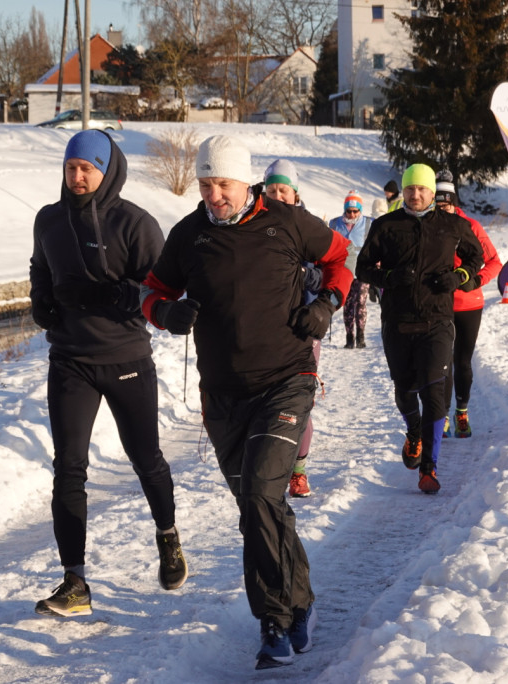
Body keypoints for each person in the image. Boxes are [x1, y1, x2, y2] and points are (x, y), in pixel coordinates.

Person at [141, 136, 353, 669]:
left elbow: (340, 261)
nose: (215, 196)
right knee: (259, 507)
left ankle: (275, 621)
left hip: (286, 378)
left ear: (246, 182)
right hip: (223, 395)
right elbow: (152, 290)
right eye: (206, 185)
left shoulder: (286, 221)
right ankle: (301, 601)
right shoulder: (188, 236)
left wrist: (327, 304)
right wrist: (165, 315)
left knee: (261, 493)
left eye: (224, 185)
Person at [29, 129, 187, 618]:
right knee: (68, 470)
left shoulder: (135, 224)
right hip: (69, 360)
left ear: (106, 170)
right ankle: (74, 581)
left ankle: (168, 536)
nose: (77, 178)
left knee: (147, 459)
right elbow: (40, 266)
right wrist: (42, 302)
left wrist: (116, 296)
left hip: (125, 359)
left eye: (87, 169)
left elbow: (162, 292)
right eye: (71, 168)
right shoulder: (49, 219)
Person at [355, 163, 482, 494]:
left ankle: (429, 468)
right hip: (397, 322)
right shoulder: (386, 225)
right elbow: (362, 268)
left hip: (438, 320)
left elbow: (475, 257)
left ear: (432, 192)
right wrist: (389, 279)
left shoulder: (453, 225)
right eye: (410, 189)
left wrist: (459, 278)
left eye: (422, 189)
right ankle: (414, 434)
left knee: (434, 390)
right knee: (405, 390)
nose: (415, 195)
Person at [262, 159, 322, 498]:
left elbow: (329, 272)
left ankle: (298, 470)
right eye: (271, 190)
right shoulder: (252, 225)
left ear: (295, 193)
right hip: (262, 328)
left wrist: (306, 276)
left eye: (283, 190)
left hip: (302, 328)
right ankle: (268, 466)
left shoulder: (309, 227)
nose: (277, 196)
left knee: (298, 403)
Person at [434, 171, 502, 439]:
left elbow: (495, 261)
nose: (443, 209)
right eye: (438, 205)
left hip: (469, 305)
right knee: (442, 364)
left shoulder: (471, 226)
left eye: (446, 204)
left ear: (454, 201)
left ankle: (461, 413)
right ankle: (443, 417)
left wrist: (475, 281)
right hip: (439, 305)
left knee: (462, 362)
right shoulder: (429, 225)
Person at [328, 191, 371, 349]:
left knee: (360, 302)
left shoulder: (368, 223)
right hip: (344, 269)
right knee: (347, 303)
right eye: (349, 211)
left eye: (355, 211)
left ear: (360, 210)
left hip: (362, 269)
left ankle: (361, 336)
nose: (352, 214)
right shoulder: (334, 224)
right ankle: (349, 337)